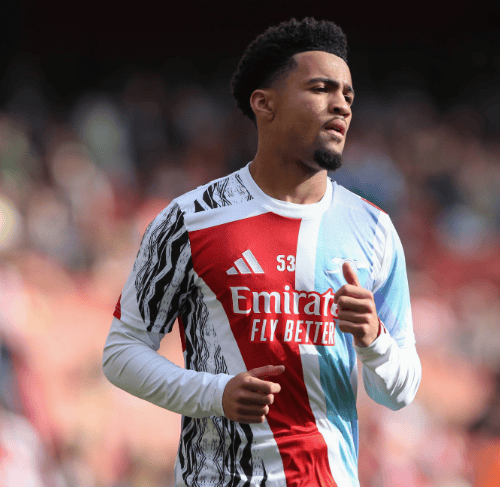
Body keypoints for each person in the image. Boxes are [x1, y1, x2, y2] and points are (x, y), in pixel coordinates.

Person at [103, 17, 421, 486]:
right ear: (264, 103)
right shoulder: (190, 219)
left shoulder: (375, 229)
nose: (341, 105)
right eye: (321, 88)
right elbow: (122, 352)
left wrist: (374, 339)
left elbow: (399, 391)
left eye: (348, 96)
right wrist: (214, 393)